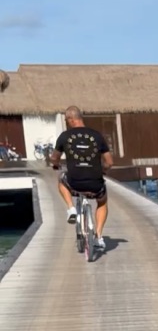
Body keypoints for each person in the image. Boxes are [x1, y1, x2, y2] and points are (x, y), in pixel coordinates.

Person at [50, 105, 113, 252]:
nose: (67, 123)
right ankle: (98, 236)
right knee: (102, 202)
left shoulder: (64, 136)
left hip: (74, 183)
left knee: (61, 180)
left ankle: (71, 208)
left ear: (71, 119)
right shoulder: (97, 136)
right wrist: (103, 170)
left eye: (66, 120)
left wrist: (56, 165)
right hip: (95, 184)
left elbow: (54, 158)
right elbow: (109, 162)